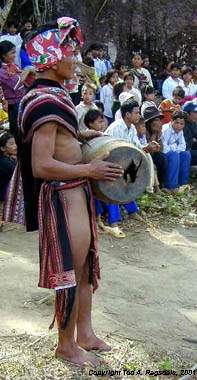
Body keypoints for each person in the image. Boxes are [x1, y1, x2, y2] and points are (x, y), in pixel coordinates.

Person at [18, 17, 123, 367]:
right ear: (51, 58)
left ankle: (86, 334)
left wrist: (80, 138)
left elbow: (62, 141)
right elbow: (42, 164)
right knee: (70, 271)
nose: (75, 60)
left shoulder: (54, 94)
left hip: (75, 192)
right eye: (70, 52)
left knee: (83, 269)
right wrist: (90, 169)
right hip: (63, 195)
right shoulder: (46, 102)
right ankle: (66, 345)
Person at [0, 41, 30, 139]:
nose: (14, 55)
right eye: (12, 53)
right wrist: (28, 70)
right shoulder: (2, 71)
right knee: (18, 132)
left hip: (21, 100)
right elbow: (16, 83)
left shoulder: (13, 65)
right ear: (4, 56)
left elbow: (23, 77)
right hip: (13, 105)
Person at [161, 111, 191, 191]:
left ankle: (183, 183)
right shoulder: (166, 130)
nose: (179, 126)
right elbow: (164, 148)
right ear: (171, 121)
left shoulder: (180, 131)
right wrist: (175, 146)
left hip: (173, 153)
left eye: (182, 124)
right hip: (163, 155)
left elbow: (183, 146)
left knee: (186, 154)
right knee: (174, 155)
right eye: (176, 123)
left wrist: (174, 148)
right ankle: (171, 185)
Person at [144, 107, 167, 188]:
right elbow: (148, 152)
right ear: (149, 122)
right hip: (144, 157)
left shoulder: (158, 131)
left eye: (159, 120)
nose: (160, 123)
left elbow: (160, 149)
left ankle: (162, 185)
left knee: (162, 157)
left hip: (154, 156)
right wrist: (153, 135)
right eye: (156, 120)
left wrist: (156, 134)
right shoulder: (143, 131)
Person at [0, 131, 17, 201]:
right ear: (3, 148)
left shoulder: (9, 158)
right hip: (5, 195)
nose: (15, 146)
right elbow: (18, 174)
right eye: (12, 144)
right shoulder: (3, 162)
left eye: (15, 143)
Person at [183, 100, 197, 165]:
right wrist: (193, 140)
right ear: (187, 113)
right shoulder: (181, 124)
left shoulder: (193, 123)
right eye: (195, 112)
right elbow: (185, 147)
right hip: (184, 154)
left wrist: (194, 140)